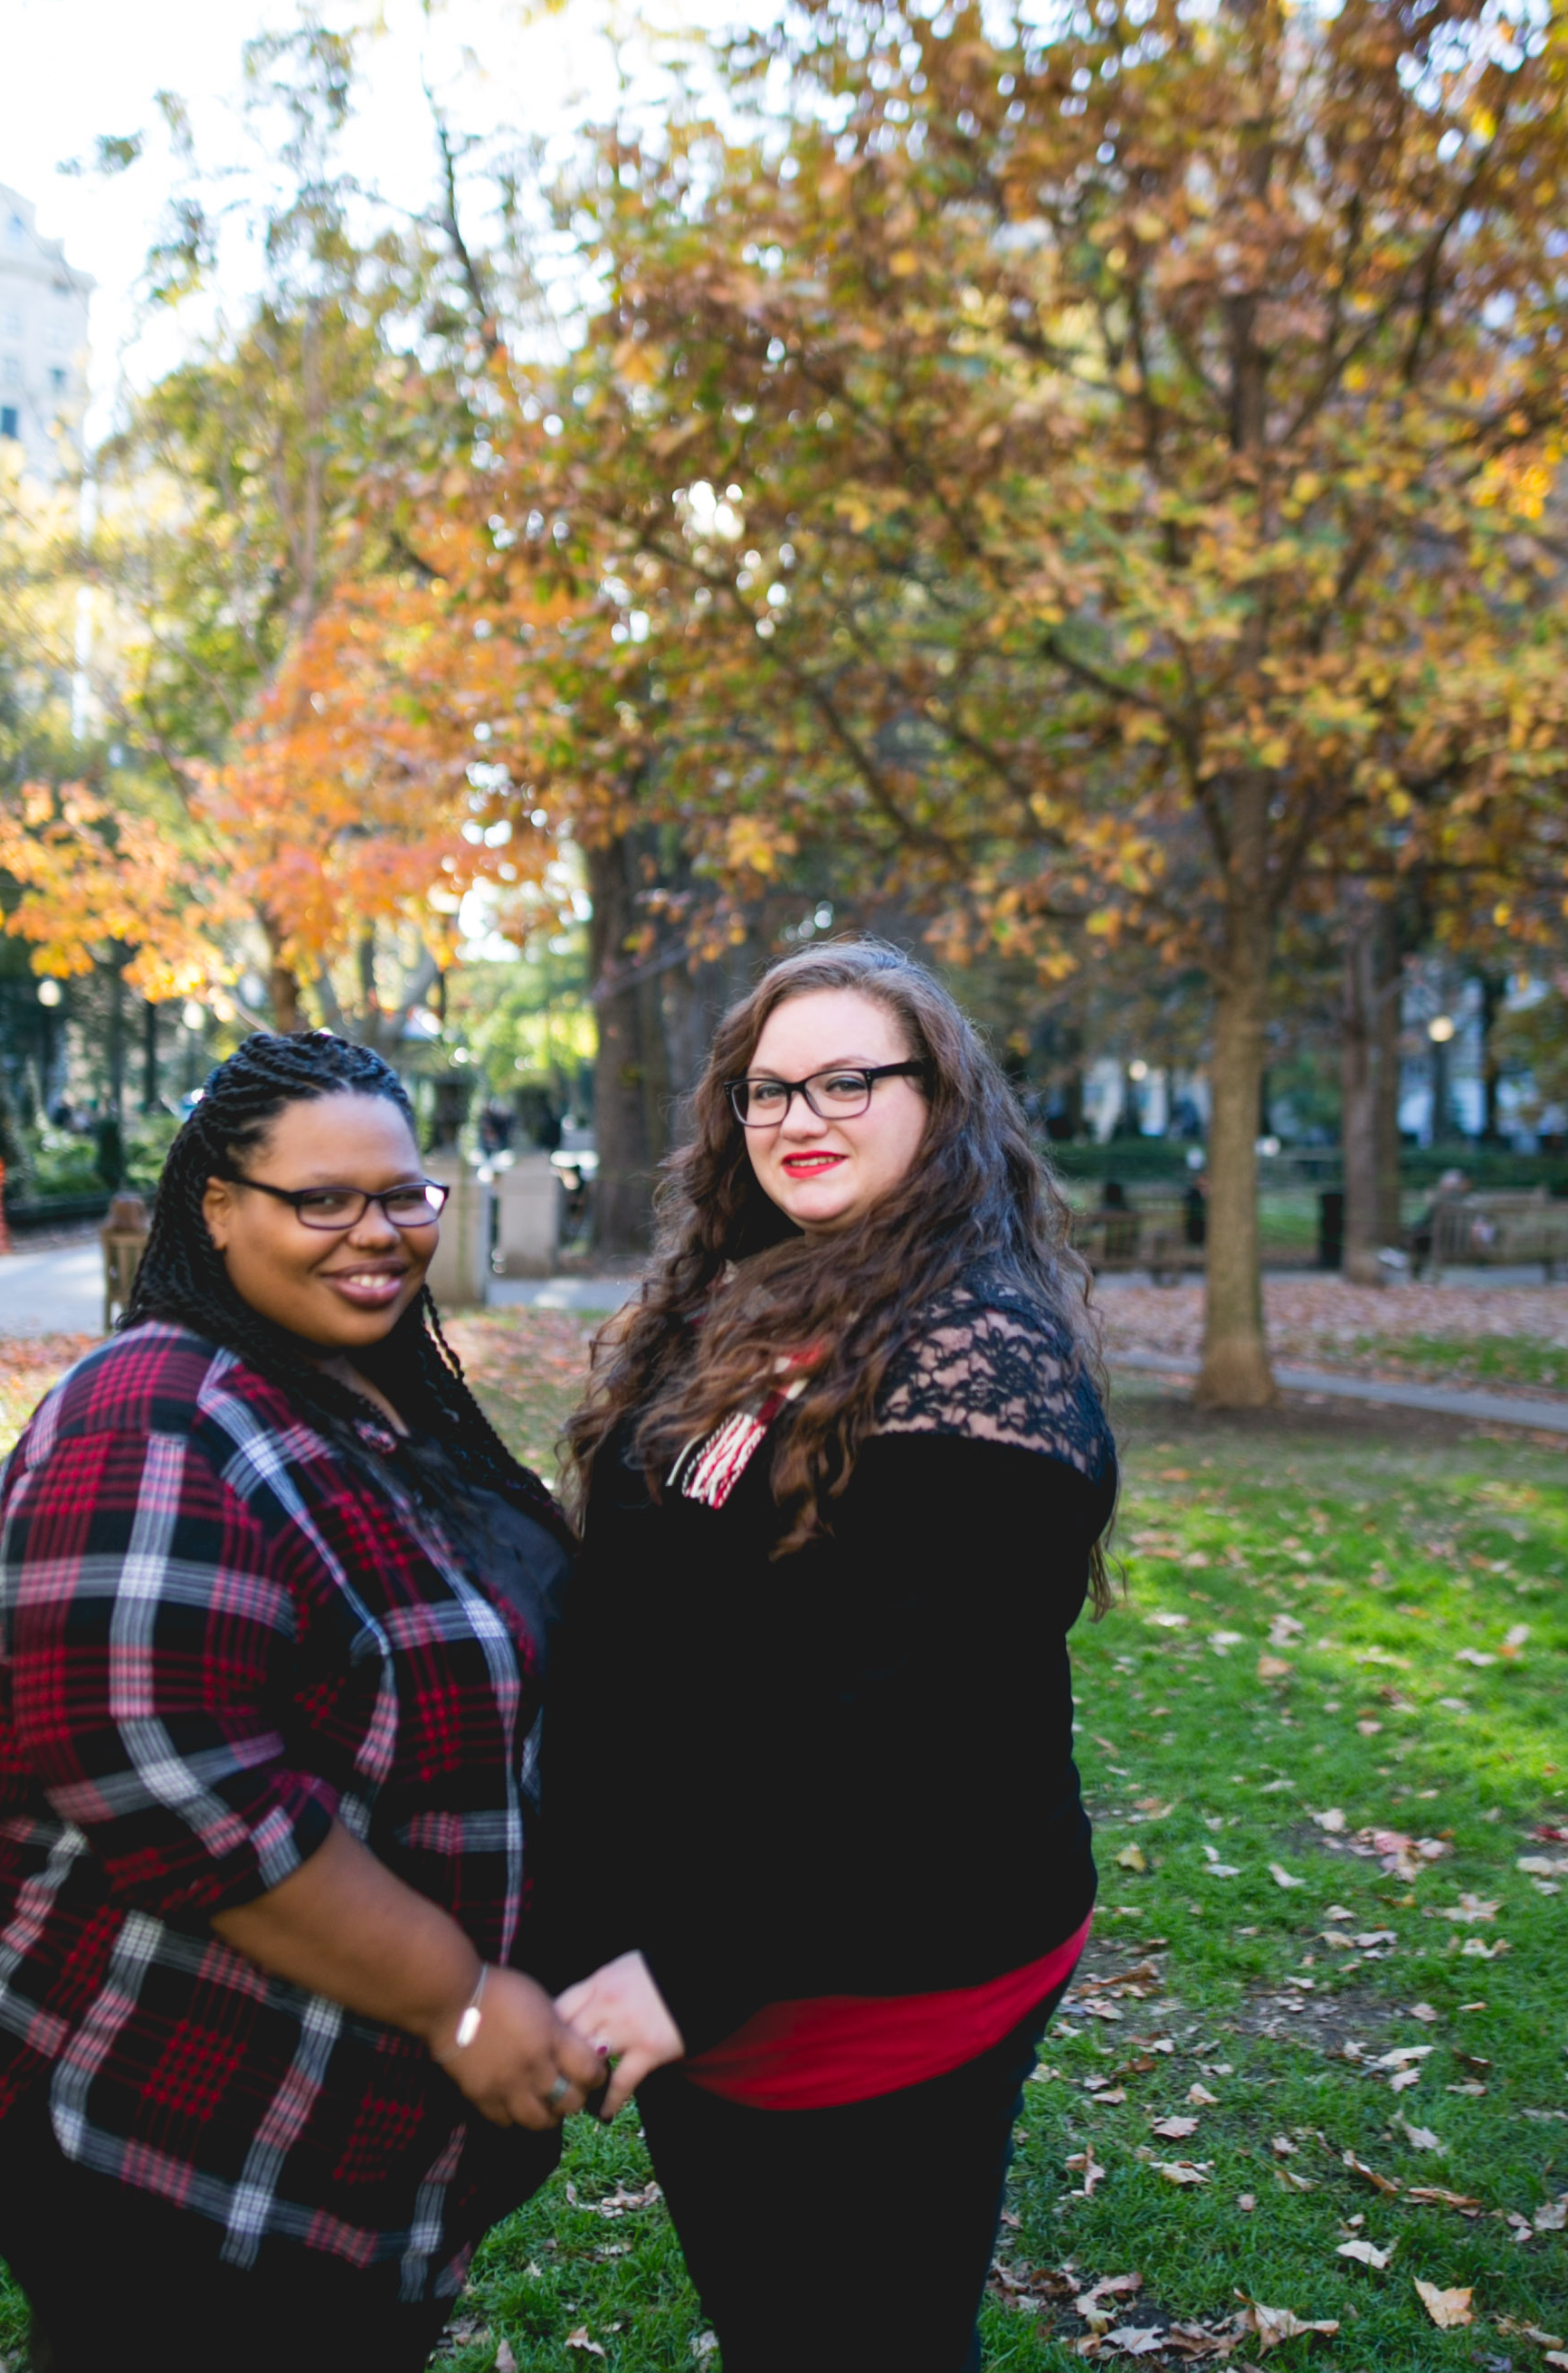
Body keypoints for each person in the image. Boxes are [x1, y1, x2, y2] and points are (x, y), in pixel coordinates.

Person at [0, 1029, 603, 2373]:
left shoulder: (362, 1389)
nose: (375, 1234)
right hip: (155, 2131)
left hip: (336, 2139)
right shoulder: (151, 1417)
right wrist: (459, 1998)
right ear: (217, 1208)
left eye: (401, 1195)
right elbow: (174, 1793)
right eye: (319, 1200)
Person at [545, 940, 1117, 2373]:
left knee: (860, 2337)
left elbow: (915, 1733)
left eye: (850, 1080)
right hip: (720, 1949)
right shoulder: (768, 1294)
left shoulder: (981, 1353)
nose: (800, 1118)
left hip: (880, 1963)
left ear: (942, 1100)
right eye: (767, 1090)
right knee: (777, 2324)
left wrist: (686, 1971)